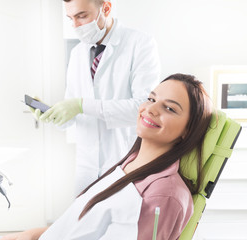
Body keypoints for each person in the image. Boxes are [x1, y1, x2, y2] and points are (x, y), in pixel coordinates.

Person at [2, 73, 213, 240]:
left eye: (169, 108)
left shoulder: (164, 195)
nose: (150, 109)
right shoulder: (129, 164)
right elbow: (84, 226)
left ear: (188, 130)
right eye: (151, 99)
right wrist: (36, 234)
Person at [32, 0, 161, 194]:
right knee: (82, 222)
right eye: (71, 18)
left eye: (82, 16)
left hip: (124, 161)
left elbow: (144, 109)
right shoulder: (77, 54)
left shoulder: (140, 43)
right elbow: (72, 115)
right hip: (87, 167)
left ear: (106, 8)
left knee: (121, 222)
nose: (76, 25)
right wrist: (53, 115)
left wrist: (82, 105)